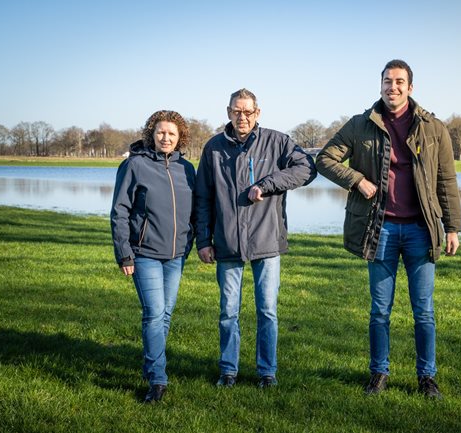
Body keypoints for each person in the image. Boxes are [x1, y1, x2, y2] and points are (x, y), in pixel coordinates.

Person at [316, 60, 461, 399]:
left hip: (420, 231)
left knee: (423, 311)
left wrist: (452, 226)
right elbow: (325, 159)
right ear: (380, 85)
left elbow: (447, 180)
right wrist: (357, 180)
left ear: (410, 88)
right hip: (378, 230)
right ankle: (379, 374)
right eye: (387, 81)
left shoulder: (433, 128)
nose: (392, 87)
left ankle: (427, 378)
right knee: (380, 310)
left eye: (399, 82)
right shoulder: (359, 125)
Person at [195, 88, 316, 388]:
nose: (242, 117)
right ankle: (228, 370)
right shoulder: (213, 148)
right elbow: (202, 198)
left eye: (248, 112)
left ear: (257, 113)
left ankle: (266, 372)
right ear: (228, 112)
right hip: (226, 242)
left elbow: (307, 169)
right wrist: (203, 240)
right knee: (228, 311)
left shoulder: (277, 142)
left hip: (267, 240)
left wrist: (269, 183)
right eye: (237, 111)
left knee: (267, 311)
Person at [110, 110, 195, 403]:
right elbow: (119, 211)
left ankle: (150, 366)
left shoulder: (187, 169)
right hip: (143, 253)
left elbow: (195, 211)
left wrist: (191, 239)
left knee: (165, 314)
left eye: (172, 134)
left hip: (176, 256)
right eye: (161, 132)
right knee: (155, 313)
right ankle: (158, 379)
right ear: (152, 134)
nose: (166, 138)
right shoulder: (134, 165)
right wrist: (125, 254)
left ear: (180, 137)